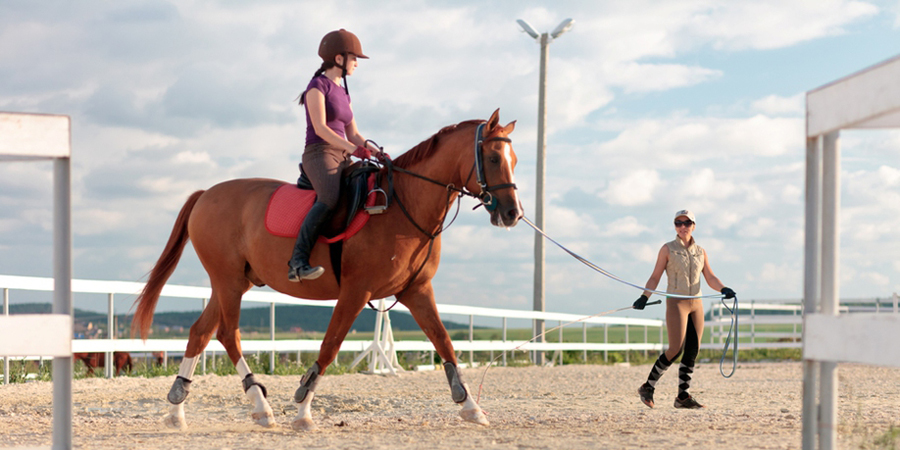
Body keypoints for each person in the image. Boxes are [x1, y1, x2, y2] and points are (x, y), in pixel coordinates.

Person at [288, 29, 384, 282]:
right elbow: (320, 128)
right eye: (354, 58)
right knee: (330, 197)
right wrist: (355, 150)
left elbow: (354, 134)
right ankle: (297, 262)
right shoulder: (316, 86)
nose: (356, 64)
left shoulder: (344, 93)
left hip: (343, 155)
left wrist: (378, 153)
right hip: (319, 153)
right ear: (339, 59)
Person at [632, 209, 736, 409]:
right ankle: (648, 386)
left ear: (693, 226)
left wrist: (724, 288)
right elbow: (655, 277)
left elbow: (710, 277)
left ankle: (683, 397)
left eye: (686, 223)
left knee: (692, 350)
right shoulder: (667, 249)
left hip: (696, 303)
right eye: (678, 223)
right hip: (676, 302)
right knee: (675, 348)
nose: (682, 226)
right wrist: (644, 297)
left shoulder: (701, 251)